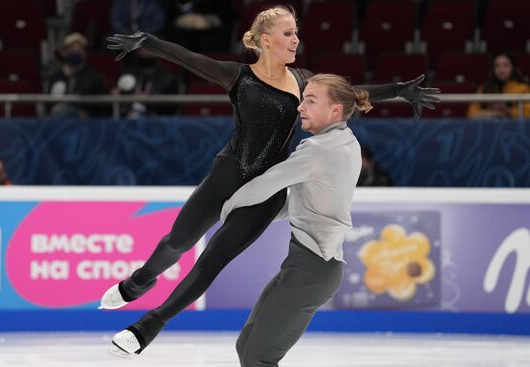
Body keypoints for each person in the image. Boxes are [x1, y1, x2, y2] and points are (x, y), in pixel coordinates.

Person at [102, 5, 440, 356]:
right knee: (176, 242)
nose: (296, 39)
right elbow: (189, 58)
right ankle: (140, 281)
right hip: (227, 176)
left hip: (266, 192)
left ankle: (149, 325)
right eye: (288, 33)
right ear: (266, 40)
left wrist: (399, 90)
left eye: (296, 32)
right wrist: (150, 42)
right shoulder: (238, 76)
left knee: (212, 260)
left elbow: (347, 93)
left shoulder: (302, 81)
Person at [219, 73, 368, 366]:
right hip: (308, 267)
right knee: (247, 345)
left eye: (311, 101)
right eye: (302, 99)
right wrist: (255, 215)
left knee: (257, 356)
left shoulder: (318, 150)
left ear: (335, 109)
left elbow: (268, 183)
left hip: (312, 269)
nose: (300, 107)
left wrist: (227, 206)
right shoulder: (345, 142)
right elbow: (302, 202)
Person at [45, 33, 107, 118]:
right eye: (72, 49)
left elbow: (99, 106)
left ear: (85, 53)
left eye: (79, 50)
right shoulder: (56, 77)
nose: (76, 52)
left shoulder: (94, 77)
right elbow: (48, 103)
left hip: (85, 119)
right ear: (65, 53)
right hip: (58, 118)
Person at [111, 48, 180, 118]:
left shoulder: (168, 79)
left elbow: (172, 109)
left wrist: (150, 100)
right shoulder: (127, 73)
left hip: (156, 122)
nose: (146, 51)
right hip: (127, 119)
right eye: (143, 47)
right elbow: (117, 101)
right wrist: (117, 95)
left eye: (149, 47)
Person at [467, 52, 530, 119]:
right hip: (489, 127)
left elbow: (528, 113)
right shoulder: (484, 88)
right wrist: (496, 113)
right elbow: (471, 114)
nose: (501, 69)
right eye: (497, 65)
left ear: (513, 68)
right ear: (493, 69)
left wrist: (507, 109)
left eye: (505, 65)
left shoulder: (524, 88)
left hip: (515, 128)